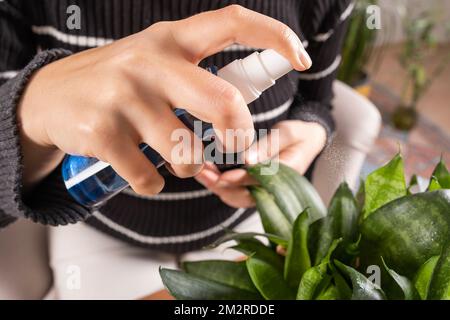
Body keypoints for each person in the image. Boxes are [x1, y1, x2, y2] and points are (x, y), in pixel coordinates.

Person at [0, 0, 352, 299]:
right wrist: (28, 109)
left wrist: (309, 134)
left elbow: (317, 101)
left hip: (242, 231)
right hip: (104, 231)